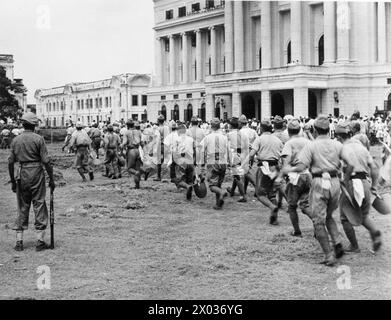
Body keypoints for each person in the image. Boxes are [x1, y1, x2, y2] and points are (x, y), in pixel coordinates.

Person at [282, 115, 345, 266]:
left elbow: (302, 166)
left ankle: (329, 255)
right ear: (329, 129)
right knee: (329, 215)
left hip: (318, 181)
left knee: (318, 221)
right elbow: (347, 163)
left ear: (315, 130)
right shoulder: (337, 145)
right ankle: (337, 241)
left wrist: (288, 169)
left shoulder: (312, 145)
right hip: (335, 181)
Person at [8, 112, 55, 252]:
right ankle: (40, 241)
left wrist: (12, 181)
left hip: (21, 173)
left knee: (22, 206)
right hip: (36, 173)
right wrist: (51, 179)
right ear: (34, 125)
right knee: (39, 203)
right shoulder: (39, 139)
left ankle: (19, 242)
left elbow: (10, 162)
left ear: (23, 124)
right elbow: (46, 161)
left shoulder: (15, 140)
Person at [335, 122, 382, 253]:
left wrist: (344, 180)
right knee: (364, 214)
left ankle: (354, 246)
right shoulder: (362, 148)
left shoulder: (341, 148)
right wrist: (374, 186)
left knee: (345, 218)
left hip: (350, 182)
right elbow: (374, 167)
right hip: (365, 181)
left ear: (339, 136)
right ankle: (375, 232)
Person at [280, 119, 314, 237]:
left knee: (292, 205)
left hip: (295, 177)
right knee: (306, 205)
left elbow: (286, 161)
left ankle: (297, 231)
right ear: (300, 130)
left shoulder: (289, 143)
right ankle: (317, 222)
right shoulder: (307, 141)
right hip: (307, 175)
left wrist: (284, 174)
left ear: (288, 131)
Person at [250, 119, 283, 226]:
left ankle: (272, 207)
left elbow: (252, 153)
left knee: (260, 194)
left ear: (262, 128)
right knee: (272, 194)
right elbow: (282, 155)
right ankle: (274, 219)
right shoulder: (277, 140)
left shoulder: (259, 139)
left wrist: (248, 160)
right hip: (275, 167)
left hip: (264, 168)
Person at [200, 118, 230, 210]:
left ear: (211, 126)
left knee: (212, 186)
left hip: (212, 162)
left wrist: (202, 163)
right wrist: (229, 162)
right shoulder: (224, 137)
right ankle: (218, 204)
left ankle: (222, 193)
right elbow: (229, 150)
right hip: (223, 162)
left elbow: (201, 150)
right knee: (218, 184)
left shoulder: (207, 137)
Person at [227, 117, 249, 203]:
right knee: (237, 175)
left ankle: (243, 196)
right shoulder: (243, 134)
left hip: (234, 155)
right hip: (243, 154)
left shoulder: (229, 134)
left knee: (237, 176)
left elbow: (226, 146)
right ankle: (232, 191)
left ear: (231, 126)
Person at [172, 123, 195, 200]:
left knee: (179, 181)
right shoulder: (191, 139)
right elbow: (194, 150)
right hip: (190, 161)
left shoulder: (176, 140)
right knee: (190, 180)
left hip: (182, 161)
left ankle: (187, 187)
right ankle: (189, 197)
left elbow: (174, 152)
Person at [121, 120, 143, 188]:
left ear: (127, 126)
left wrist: (121, 146)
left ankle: (138, 173)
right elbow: (142, 143)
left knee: (130, 168)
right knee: (137, 168)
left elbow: (124, 142)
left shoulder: (126, 132)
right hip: (138, 150)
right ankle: (137, 185)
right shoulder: (139, 132)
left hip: (131, 151)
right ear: (133, 125)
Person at [154, 115, 170, 181]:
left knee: (158, 161)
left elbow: (157, 139)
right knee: (168, 160)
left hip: (160, 145)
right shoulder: (167, 128)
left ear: (158, 121)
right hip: (166, 145)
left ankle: (158, 176)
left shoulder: (157, 129)